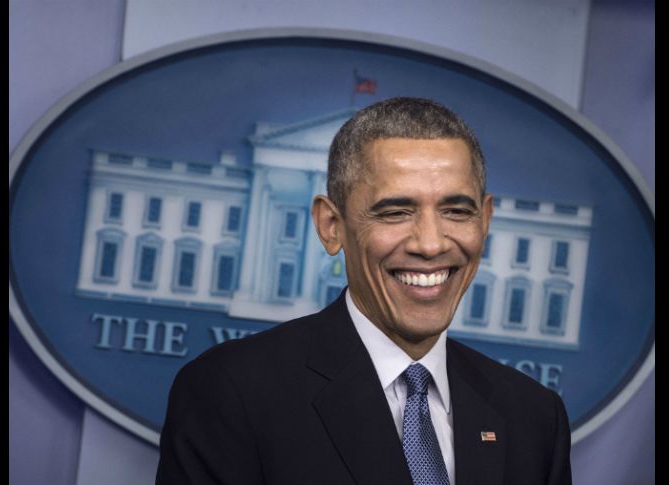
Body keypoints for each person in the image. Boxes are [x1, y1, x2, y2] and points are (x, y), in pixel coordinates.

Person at [156, 97, 572, 485]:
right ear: (331, 226)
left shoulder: (534, 418)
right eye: (395, 212)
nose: (430, 244)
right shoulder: (231, 392)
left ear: (484, 220)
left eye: (455, 211)